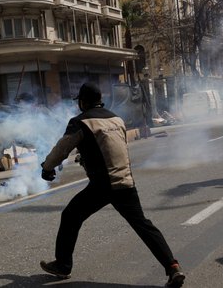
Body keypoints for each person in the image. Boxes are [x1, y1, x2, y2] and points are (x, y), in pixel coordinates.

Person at [39, 82, 185, 287]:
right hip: (126, 181)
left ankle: (63, 265)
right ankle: (173, 267)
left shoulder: (80, 122)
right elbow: (110, 148)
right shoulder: (117, 119)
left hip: (103, 185)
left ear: (82, 102)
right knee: (143, 225)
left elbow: (62, 148)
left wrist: (47, 167)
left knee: (70, 216)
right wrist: (87, 156)